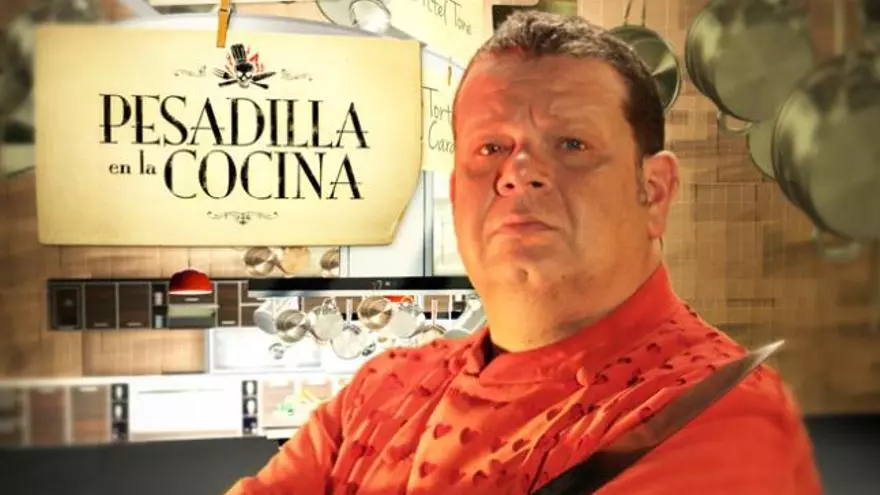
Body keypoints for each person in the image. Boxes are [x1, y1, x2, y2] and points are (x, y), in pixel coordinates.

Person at [226, 11, 821, 495]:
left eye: (571, 143)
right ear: (456, 191)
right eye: (490, 147)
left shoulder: (724, 417)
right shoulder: (380, 389)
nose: (519, 172)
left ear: (655, 191)